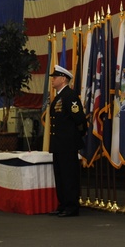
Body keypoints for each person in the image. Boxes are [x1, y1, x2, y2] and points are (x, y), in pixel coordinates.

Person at [47, 66, 87, 217]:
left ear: (63, 79)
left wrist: (73, 137)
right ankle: (63, 204)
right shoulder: (59, 96)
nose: (52, 79)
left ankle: (71, 206)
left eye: (55, 77)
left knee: (69, 176)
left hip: (67, 144)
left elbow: (80, 120)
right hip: (58, 144)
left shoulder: (70, 96)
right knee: (60, 176)